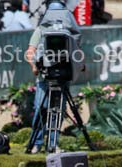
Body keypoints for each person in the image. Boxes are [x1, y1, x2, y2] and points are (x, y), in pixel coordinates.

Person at [26, 0, 80, 153]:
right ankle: (37, 143)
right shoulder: (40, 30)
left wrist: (78, 64)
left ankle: (53, 143)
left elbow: (77, 52)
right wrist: (34, 66)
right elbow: (30, 52)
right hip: (44, 77)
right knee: (41, 109)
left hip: (63, 76)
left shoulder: (70, 32)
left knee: (58, 110)